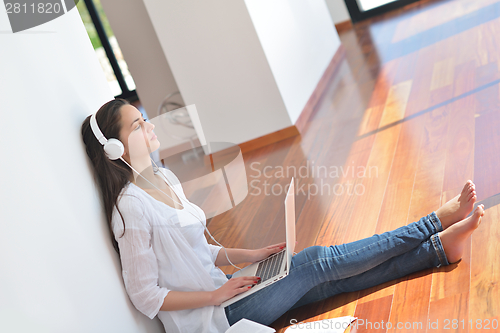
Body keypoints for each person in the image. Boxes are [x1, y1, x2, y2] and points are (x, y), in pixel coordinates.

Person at [81, 98, 485, 333]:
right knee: (318, 262)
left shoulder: (165, 178)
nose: (149, 125)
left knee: (322, 283)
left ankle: (436, 252)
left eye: (144, 118)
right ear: (116, 148)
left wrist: (251, 254)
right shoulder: (130, 208)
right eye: (138, 124)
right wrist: (215, 295)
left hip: (228, 290)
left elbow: (200, 247)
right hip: (216, 319)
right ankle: (433, 223)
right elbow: (144, 295)